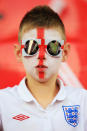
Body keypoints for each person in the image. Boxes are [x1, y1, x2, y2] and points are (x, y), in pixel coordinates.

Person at [0, 5, 87, 131]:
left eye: (53, 47)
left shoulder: (83, 101)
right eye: (31, 47)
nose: (41, 57)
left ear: (65, 53)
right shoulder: (3, 102)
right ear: (19, 53)